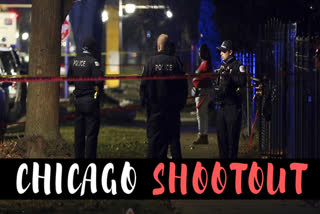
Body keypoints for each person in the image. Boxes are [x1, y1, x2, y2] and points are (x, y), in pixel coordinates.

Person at [140, 34, 188, 159]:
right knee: (174, 142)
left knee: (154, 142)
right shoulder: (176, 62)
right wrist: (180, 105)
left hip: (155, 110)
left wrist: (144, 104)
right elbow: (183, 86)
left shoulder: (150, 62)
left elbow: (143, 85)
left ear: (159, 46)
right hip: (172, 110)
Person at [68, 37, 104, 159]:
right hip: (90, 101)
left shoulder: (74, 61)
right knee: (91, 134)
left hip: (78, 101)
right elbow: (98, 81)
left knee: (78, 133)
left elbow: (70, 80)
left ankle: (78, 156)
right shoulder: (93, 62)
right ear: (92, 48)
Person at [215, 40, 246, 158]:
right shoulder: (222, 65)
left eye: (223, 51)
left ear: (230, 52)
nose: (221, 53)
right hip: (221, 106)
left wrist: (230, 77)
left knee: (232, 141)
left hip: (232, 107)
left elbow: (242, 82)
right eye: (220, 51)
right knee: (221, 139)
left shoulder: (238, 66)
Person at [192, 44, 213, 145]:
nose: (199, 53)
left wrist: (197, 79)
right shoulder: (203, 63)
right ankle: (202, 134)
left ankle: (202, 135)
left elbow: (207, 77)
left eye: (200, 51)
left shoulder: (207, 63)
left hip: (203, 91)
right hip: (200, 91)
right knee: (201, 113)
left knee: (201, 113)